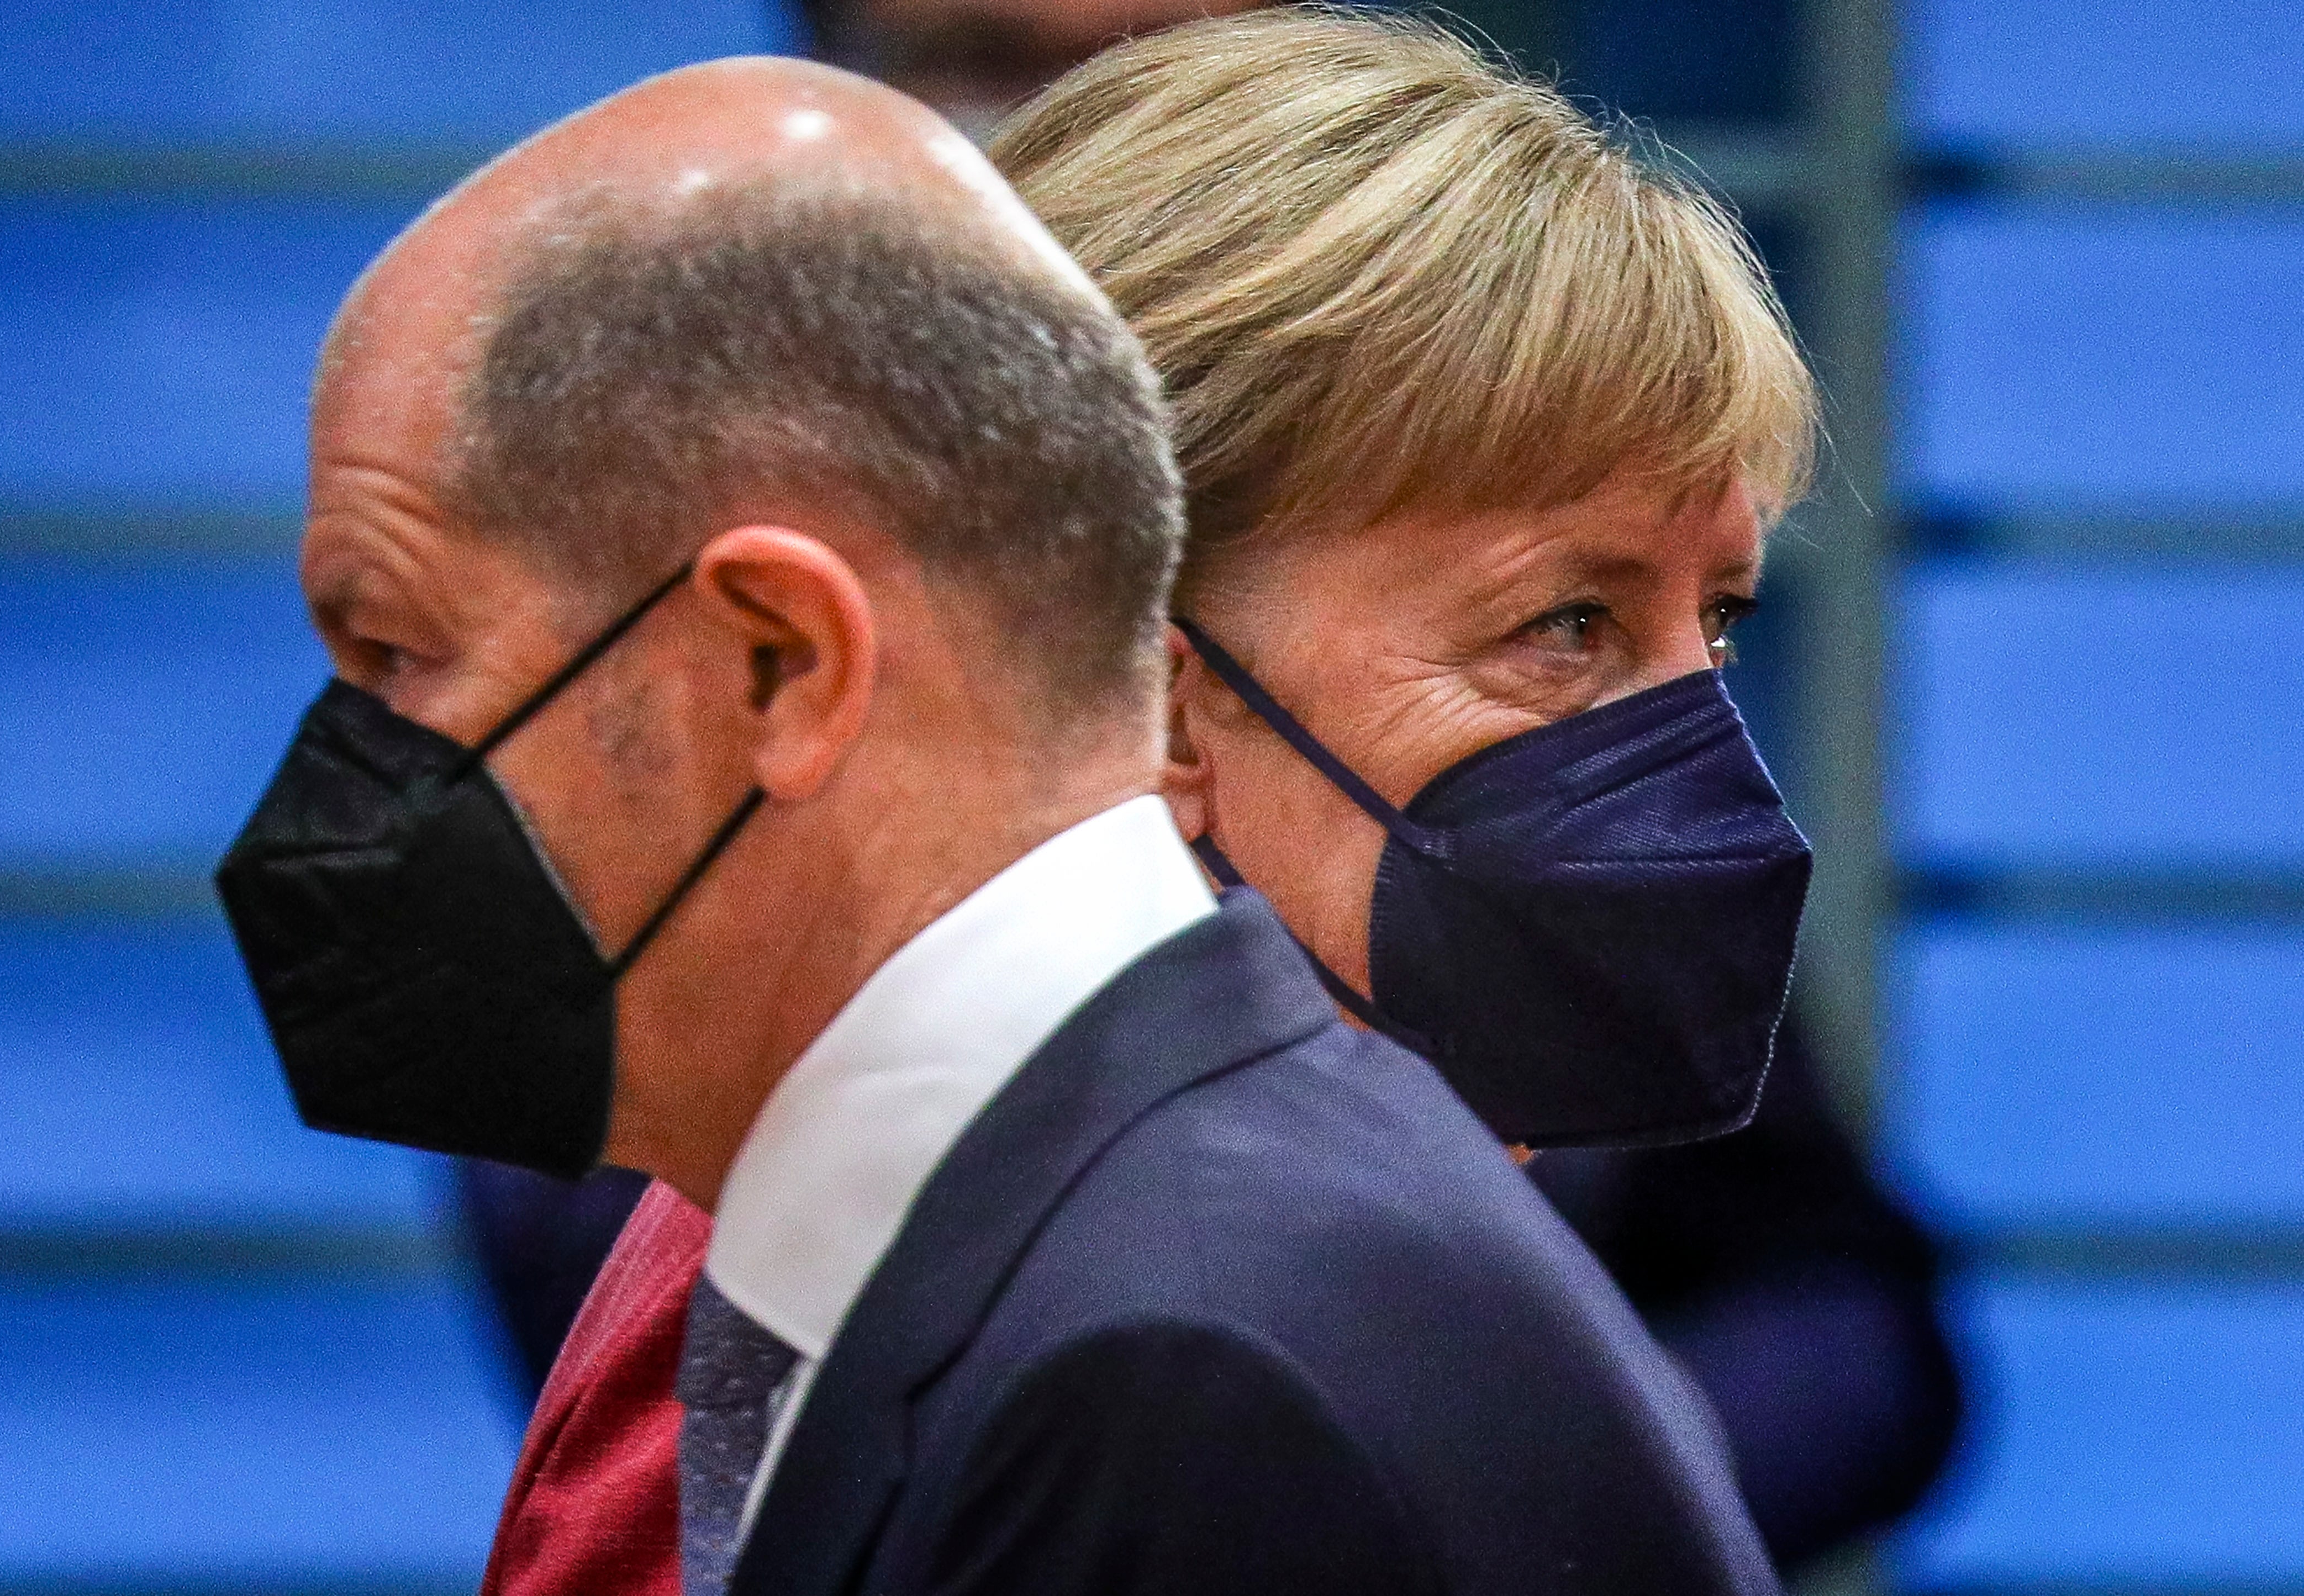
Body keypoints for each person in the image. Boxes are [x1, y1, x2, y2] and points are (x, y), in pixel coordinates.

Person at [215, 50, 1791, 1596]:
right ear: (1140, 678)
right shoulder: (838, 1267)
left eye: (1712, 629)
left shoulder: (1154, 1301)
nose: (1687, 761)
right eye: (1565, 625)